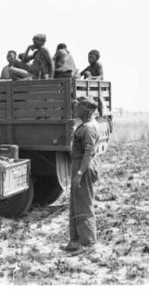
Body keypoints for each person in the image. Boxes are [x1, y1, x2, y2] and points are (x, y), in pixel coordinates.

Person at [62, 97, 100, 255]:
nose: (75, 108)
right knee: (76, 203)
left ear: (87, 110)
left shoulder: (89, 128)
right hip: (78, 166)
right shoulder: (84, 125)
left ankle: (87, 243)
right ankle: (76, 240)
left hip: (83, 167)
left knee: (84, 204)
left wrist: (79, 173)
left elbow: (88, 154)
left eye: (79, 106)